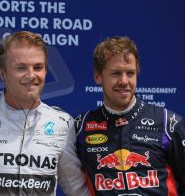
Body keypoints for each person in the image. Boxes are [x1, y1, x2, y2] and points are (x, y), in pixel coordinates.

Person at [0, 31, 89, 195]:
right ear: (2, 73)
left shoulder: (62, 123)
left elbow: (76, 188)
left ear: (46, 71)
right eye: (21, 68)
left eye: (38, 67)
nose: (31, 75)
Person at [75, 36, 185, 195]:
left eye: (130, 73)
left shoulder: (169, 123)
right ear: (98, 76)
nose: (124, 81)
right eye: (116, 73)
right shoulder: (81, 126)